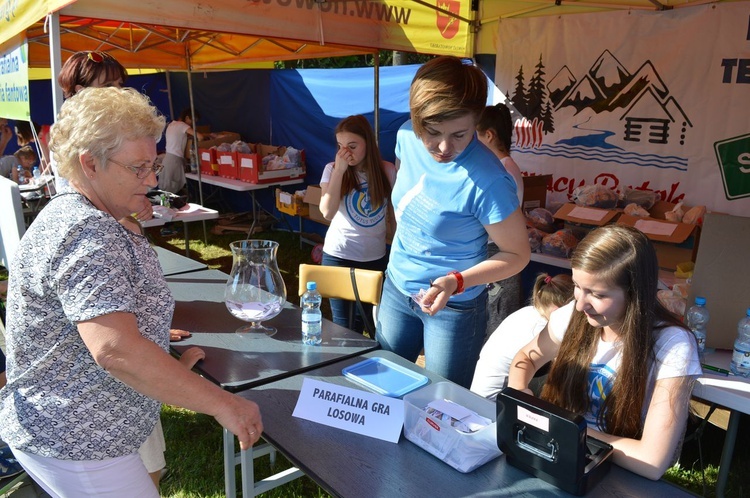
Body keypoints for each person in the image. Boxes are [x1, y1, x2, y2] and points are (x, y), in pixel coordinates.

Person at [0, 87, 263, 497]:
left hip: (76, 431)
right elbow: (115, 349)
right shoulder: (88, 230)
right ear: (90, 164)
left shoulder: (82, 213)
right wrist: (223, 404)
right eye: (139, 168)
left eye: (153, 164)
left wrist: (162, 360)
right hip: (78, 440)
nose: (153, 179)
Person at [375, 56, 531, 388]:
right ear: (417, 122)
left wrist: (456, 281)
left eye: (460, 134)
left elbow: (517, 255)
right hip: (397, 288)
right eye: (432, 133)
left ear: (477, 121)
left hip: (454, 307)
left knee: (443, 405)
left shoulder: (488, 179)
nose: (445, 147)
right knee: (380, 387)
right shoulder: (405, 137)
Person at [507, 224, 701, 480]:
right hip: (556, 456)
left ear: (636, 294)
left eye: (597, 294)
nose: (579, 305)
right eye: (577, 286)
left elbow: (651, 461)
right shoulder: (572, 316)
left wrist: (562, 426)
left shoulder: (673, 345)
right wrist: (521, 394)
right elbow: (527, 357)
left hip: (618, 473)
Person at [54, 51, 153, 222]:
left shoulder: (116, 126)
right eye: (107, 85)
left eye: (119, 84)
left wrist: (135, 198)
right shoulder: (70, 136)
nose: (119, 91)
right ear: (81, 91)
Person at [319, 115, 396, 333]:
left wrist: (396, 252)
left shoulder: (387, 171)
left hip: (375, 258)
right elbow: (327, 211)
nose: (346, 153)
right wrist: (340, 171)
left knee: (375, 325)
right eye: (341, 146)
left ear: (368, 143)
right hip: (339, 256)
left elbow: (394, 217)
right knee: (345, 327)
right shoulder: (332, 169)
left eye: (352, 146)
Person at [470, 272, 573, 400]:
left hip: (480, 393)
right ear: (559, 310)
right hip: (494, 401)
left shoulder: (528, 312)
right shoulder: (541, 328)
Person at [477, 103, 527, 332]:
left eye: (473, 136)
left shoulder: (502, 170)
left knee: (496, 322)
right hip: (494, 249)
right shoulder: (502, 166)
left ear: (489, 135)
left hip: (498, 252)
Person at [159, 108, 207, 195]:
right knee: (173, 188)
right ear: (187, 117)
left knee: (166, 187)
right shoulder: (183, 125)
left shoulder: (171, 124)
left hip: (167, 159)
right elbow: (200, 137)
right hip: (175, 160)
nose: (193, 124)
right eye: (193, 120)